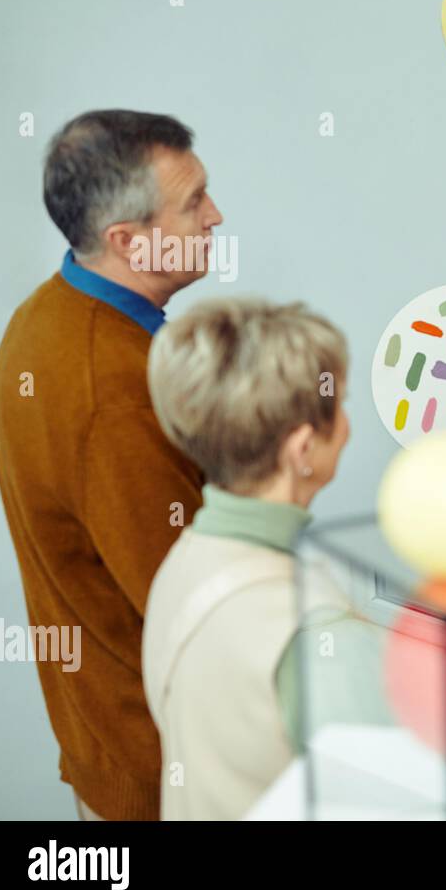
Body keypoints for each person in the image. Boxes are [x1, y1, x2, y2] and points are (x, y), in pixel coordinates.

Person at [0, 110, 222, 820]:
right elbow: (191, 615)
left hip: (118, 746)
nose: (216, 217)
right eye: (193, 204)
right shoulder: (116, 395)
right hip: (163, 775)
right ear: (128, 241)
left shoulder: (50, 312)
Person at [142, 297, 352, 820]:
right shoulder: (313, 627)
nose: (347, 424)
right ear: (302, 450)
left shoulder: (184, 562)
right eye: (341, 404)